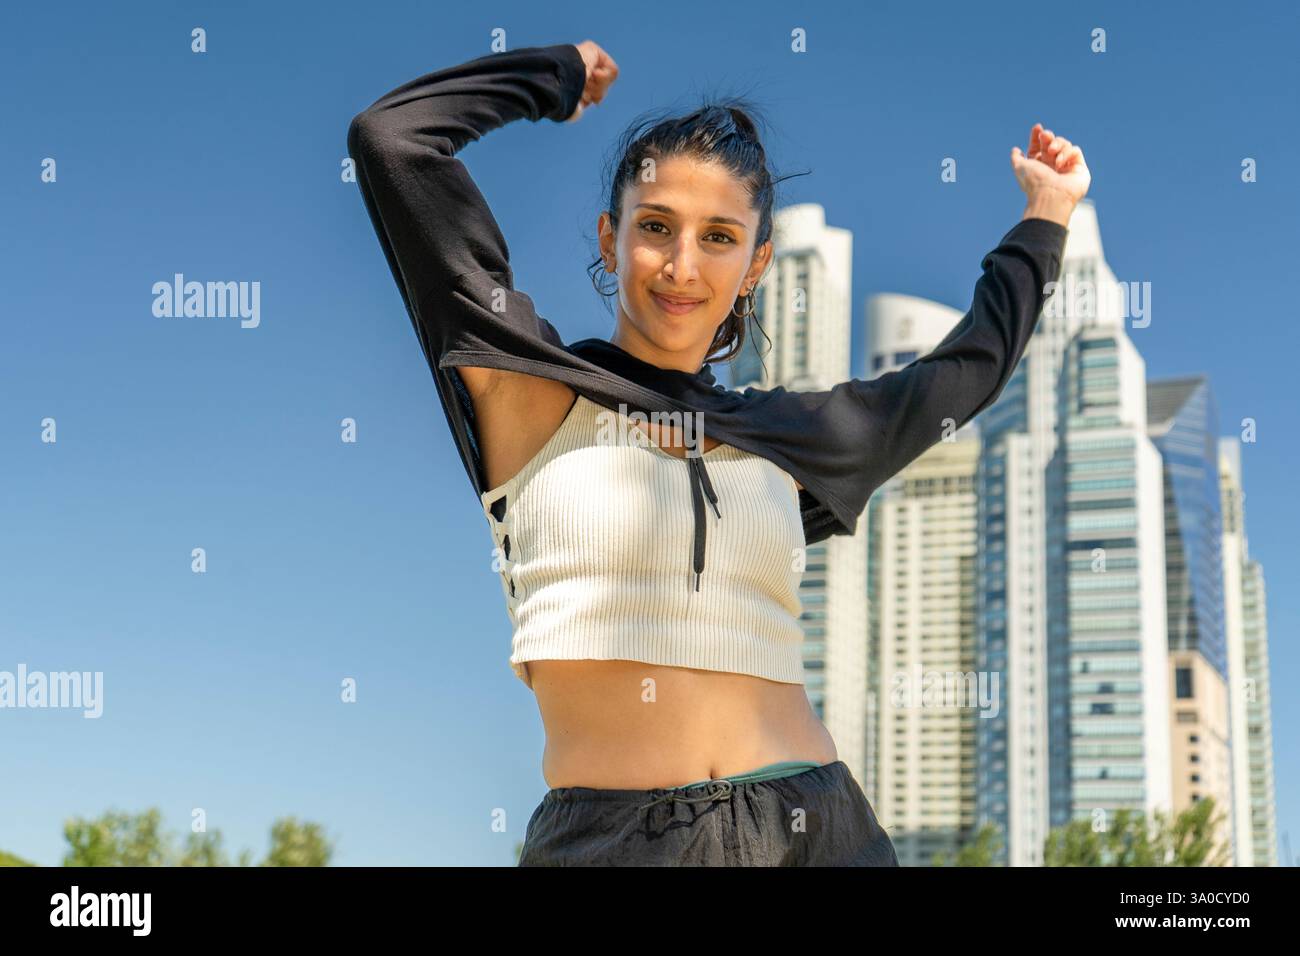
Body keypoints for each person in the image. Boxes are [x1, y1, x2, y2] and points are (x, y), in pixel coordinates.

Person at [347, 39, 1088, 866]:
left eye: (720, 236)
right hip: (617, 842)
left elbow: (965, 371)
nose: (681, 265)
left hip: (821, 827)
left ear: (756, 264)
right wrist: (556, 77)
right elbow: (393, 140)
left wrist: (1047, 214)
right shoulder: (529, 386)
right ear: (609, 235)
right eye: (656, 226)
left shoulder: (792, 437)